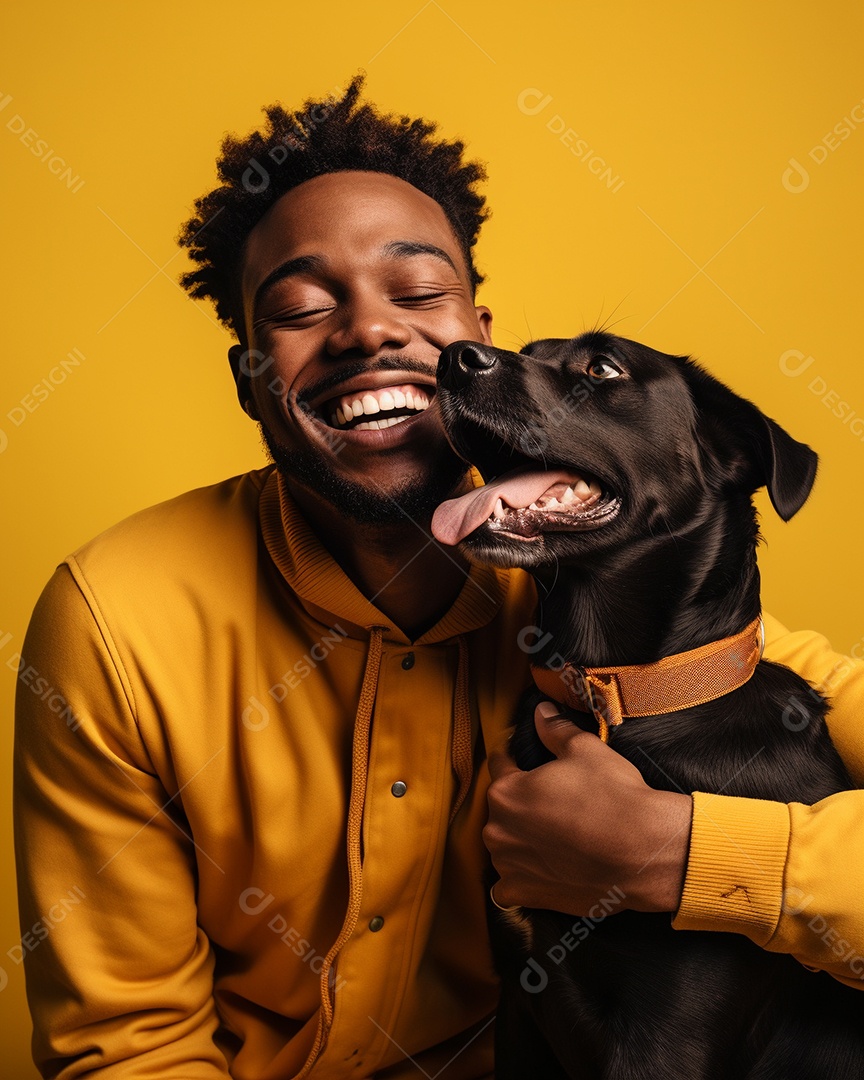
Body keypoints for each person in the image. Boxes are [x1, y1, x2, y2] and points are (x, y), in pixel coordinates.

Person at [13, 75, 864, 1080]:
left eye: (418, 295)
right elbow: (130, 1048)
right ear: (249, 378)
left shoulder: (606, 603)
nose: (370, 330)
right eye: (298, 308)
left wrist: (684, 855)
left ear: (480, 346)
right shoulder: (116, 620)